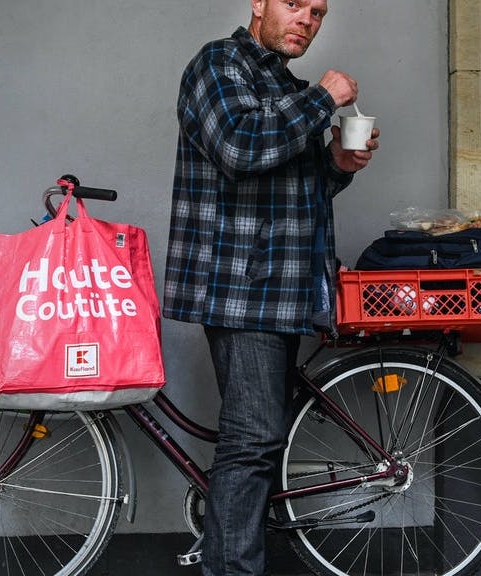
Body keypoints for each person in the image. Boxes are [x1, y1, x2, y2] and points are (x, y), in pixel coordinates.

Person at [162, 1, 379, 575]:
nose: (307, 19)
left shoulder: (285, 86)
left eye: (318, 11)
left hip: (285, 291)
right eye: (294, 4)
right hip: (244, 289)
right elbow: (239, 147)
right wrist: (323, 99)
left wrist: (336, 164)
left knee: (257, 443)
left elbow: (295, 194)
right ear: (258, 3)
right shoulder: (218, 66)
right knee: (252, 443)